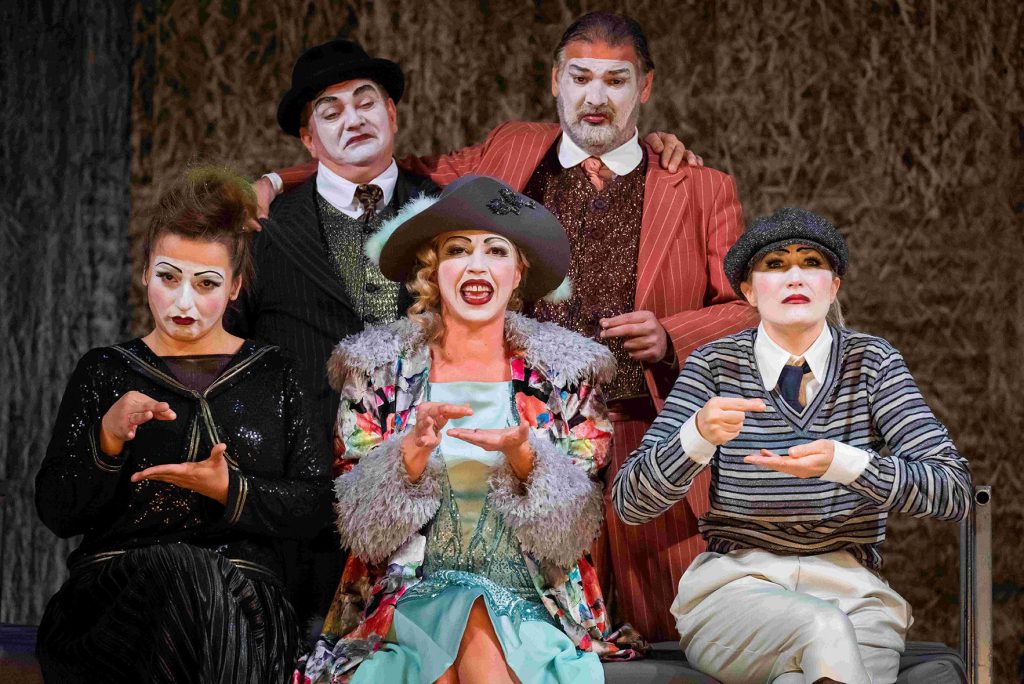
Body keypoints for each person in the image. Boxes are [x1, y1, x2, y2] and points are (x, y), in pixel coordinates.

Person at [261, 12, 759, 640]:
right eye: (580, 77)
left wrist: (671, 334)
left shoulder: (700, 186)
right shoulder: (513, 150)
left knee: (669, 636)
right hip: (527, 442)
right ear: (555, 81)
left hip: (647, 436)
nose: (596, 97)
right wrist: (276, 179)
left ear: (646, 87)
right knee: (544, 630)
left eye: (616, 80)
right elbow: (383, 165)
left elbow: (748, 306)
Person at [296, 176, 642, 684]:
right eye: (457, 250)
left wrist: (526, 459)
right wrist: (409, 456)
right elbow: (359, 523)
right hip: (401, 598)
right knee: (461, 616)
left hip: (537, 600)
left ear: (517, 272)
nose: (476, 265)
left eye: (495, 251)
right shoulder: (378, 370)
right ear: (433, 272)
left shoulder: (566, 374)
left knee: (476, 617)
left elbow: (574, 526)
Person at [612, 207, 973, 684]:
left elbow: (953, 490)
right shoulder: (714, 365)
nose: (795, 276)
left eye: (812, 262)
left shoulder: (872, 363)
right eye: (775, 265)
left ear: (834, 286)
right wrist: (695, 436)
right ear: (748, 291)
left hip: (852, 594)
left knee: (804, 667)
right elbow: (630, 502)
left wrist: (845, 464)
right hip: (736, 590)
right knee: (823, 627)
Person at [35, 166, 332, 683]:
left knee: (203, 583)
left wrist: (231, 490)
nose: (184, 302)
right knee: (185, 572)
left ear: (236, 286)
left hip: (247, 607)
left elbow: (316, 507)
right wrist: (107, 440)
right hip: (115, 604)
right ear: (144, 273)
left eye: (206, 283)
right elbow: (58, 511)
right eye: (168, 277)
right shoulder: (105, 370)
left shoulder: (274, 372)